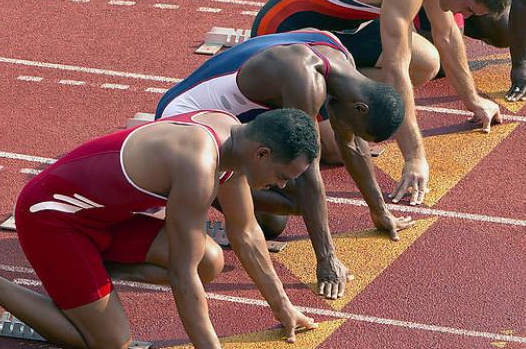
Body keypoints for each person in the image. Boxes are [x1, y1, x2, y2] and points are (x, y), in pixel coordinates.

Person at [0, 108, 320, 349]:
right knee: (109, 346)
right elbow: (181, 275)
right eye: (283, 175)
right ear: (263, 152)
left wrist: (283, 307)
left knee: (211, 260)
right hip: (53, 218)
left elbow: (247, 232)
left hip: (103, 219)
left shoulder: (235, 139)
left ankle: (86, 277)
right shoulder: (199, 165)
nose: (283, 185)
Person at [251, 0, 512, 206]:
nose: (465, 17)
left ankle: (330, 86)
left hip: (334, 32)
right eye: (468, 10)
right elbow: (394, 70)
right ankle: (315, 89)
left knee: (426, 62)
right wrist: (414, 158)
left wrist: (473, 100)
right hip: (282, 33)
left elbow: (447, 35)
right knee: (333, 149)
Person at [154, 29, 412, 300]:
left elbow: (350, 145)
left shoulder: (341, 62)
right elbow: (308, 173)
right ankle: (190, 196)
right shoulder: (303, 80)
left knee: (276, 221)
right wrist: (327, 260)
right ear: (360, 108)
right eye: (356, 128)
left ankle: (218, 194)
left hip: (228, 122)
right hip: (184, 119)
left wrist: (380, 211)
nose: (350, 132)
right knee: (303, 202)